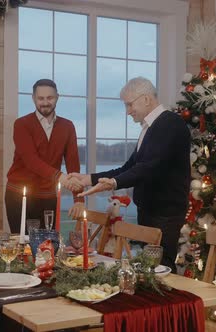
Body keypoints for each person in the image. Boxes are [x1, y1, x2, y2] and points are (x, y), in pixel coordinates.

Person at [71, 77, 191, 272]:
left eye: (129, 104)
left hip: (165, 213)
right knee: (150, 269)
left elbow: (150, 167)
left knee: (160, 270)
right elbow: (130, 166)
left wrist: (113, 183)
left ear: (145, 99)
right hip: (150, 210)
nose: (127, 111)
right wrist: (89, 179)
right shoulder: (150, 127)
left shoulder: (170, 124)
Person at [5, 79, 85, 232]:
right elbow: (31, 160)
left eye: (50, 98)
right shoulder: (21, 124)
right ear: (34, 98)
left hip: (48, 197)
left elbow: (73, 163)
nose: (45, 102)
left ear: (57, 97)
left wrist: (79, 199)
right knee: (23, 247)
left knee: (47, 247)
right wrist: (60, 177)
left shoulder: (67, 126)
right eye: (41, 98)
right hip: (18, 196)